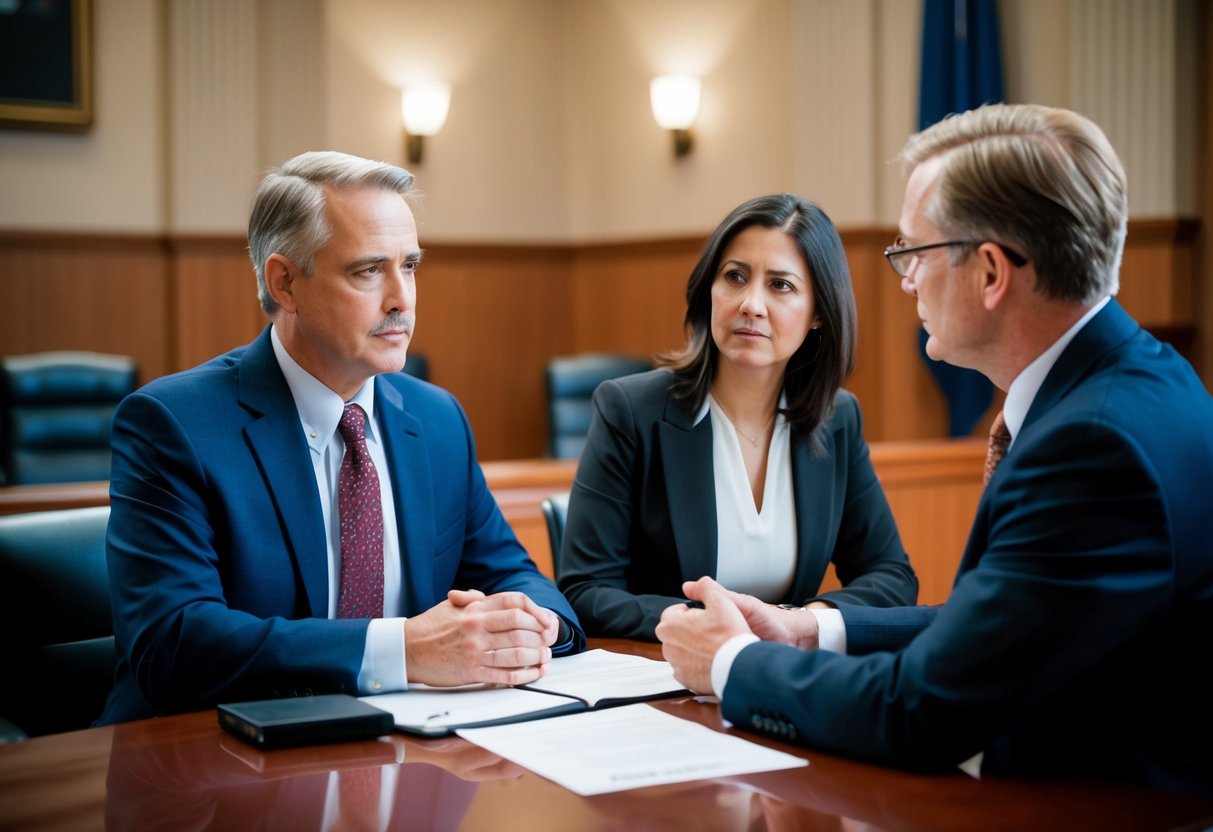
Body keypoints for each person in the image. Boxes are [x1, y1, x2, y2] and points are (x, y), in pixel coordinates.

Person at [656, 104, 1213, 795]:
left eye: (912, 253)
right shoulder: (1139, 379)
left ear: (988, 273)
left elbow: (918, 713)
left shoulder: (1093, 445)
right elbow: (1007, 622)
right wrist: (810, 632)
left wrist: (731, 663)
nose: (905, 280)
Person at [101, 151, 584, 723]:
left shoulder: (437, 420)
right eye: (368, 270)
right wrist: (403, 651)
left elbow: (514, 574)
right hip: (204, 765)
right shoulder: (174, 423)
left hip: (404, 758)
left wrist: (531, 625)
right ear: (285, 283)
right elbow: (175, 644)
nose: (401, 298)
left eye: (410, 266)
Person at [558, 194, 917, 641]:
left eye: (780, 285)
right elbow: (585, 589)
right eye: (735, 277)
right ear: (710, 289)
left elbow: (891, 575)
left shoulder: (836, 417)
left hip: (781, 677)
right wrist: (710, 626)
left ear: (819, 313)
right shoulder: (630, 410)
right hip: (661, 681)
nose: (751, 304)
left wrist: (804, 622)